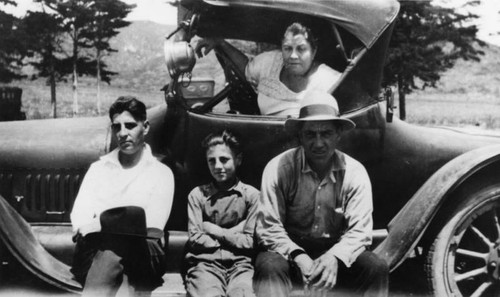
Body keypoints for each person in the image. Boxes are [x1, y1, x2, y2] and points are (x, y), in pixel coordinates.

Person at [254, 90, 389, 297]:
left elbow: (360, 232)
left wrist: (334, 258)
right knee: (268, 265)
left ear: (338, 134)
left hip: (336, 252)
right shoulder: (280, 168)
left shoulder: (354, 172)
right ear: (300, 135)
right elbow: (269, 228)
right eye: (310, 134)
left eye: (325, 133)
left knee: (375, 267)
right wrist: (299, 256)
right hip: (292, 251)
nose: (318, 143)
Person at [70, 96, 175, 296]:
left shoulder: (161, 173)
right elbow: (80, 218)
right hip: (96, 253)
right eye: (117, 127)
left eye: (130, 125)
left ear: (145, 127)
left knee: (117, 249)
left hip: (143, 254)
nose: (123, 133)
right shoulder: (98, 169)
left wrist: (100, 225)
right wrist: (116, 223)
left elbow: (150, 226)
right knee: (112, 254)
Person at [196, 22, 341, 117]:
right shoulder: (270, 62)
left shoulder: (328, 78)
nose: (293, 56)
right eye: (288, 48)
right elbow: (246, 68)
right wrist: (220, 43)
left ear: (314, 52)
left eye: (301, 49)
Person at [184, 130, 260, 297]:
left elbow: (250, 241)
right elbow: (196, 239)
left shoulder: (252, 196)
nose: (218, 166)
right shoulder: (197, 195)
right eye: (212, 161)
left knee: (243, 293)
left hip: (242, 265)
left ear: (238, 159)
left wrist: (213, 229)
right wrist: (235, 233)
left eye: (224, 159)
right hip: (205, 264)